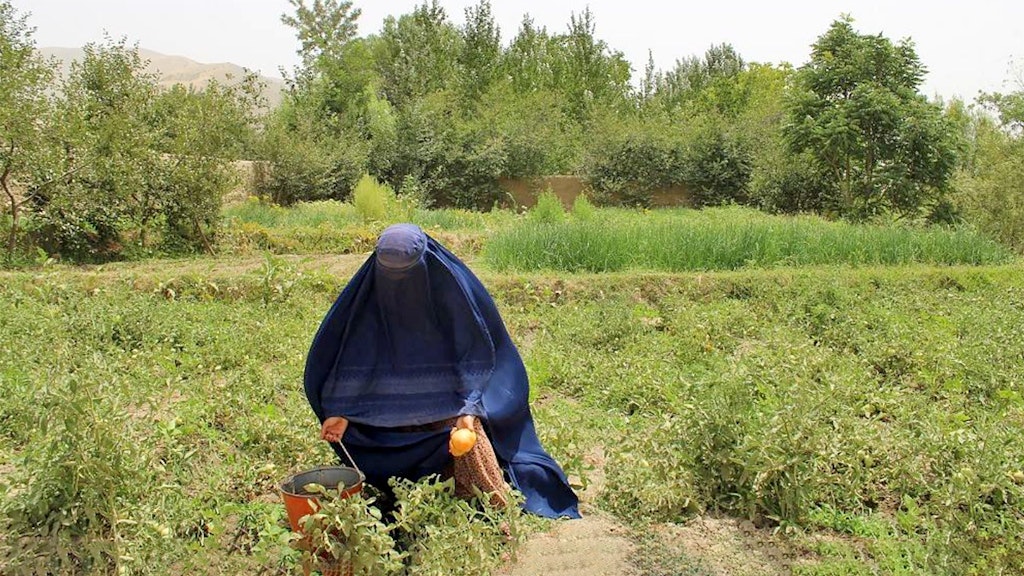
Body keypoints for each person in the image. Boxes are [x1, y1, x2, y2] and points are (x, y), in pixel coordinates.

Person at [303, 223, 580, 519]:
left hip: (449, 398)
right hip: (387, 407)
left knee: (468, 436)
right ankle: (413, 500)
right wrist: (343, 410)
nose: (399, 285)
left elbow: (478, 354)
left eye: (408, 272)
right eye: (390, 274)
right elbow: (353, 357)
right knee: (365, 438)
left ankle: (493, 509)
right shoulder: (365, 303)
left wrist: (469, 407)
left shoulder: (453, 294)